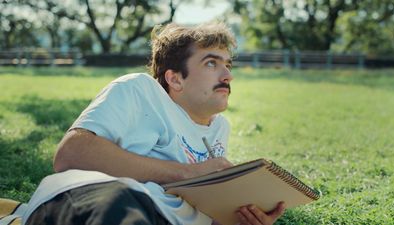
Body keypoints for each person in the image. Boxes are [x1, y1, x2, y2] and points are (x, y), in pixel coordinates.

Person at [22, 22, 285, 225]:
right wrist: (190, 171)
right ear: (175, 79)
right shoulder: (140, 90)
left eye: (227, 65)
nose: (228, 75)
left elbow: (199, 208)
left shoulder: (219, 128)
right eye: (211, 63)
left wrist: (240, 217)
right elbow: (71, 154)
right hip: (104, 198)